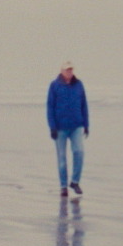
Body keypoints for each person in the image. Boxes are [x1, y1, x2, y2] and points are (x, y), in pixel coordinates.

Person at [46, 62, 89, 196]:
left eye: (71, 70)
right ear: (62, 71)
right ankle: (63, 186)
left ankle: (75, 182)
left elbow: (84, 105)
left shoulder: (79, 84)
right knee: (62, 158)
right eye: (67, 70)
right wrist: (52, 127)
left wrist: (86, 125)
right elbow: (50, 107)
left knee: (79, 152)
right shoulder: (54, 85)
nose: (69, 72)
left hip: (76, 125)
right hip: (60, 128)